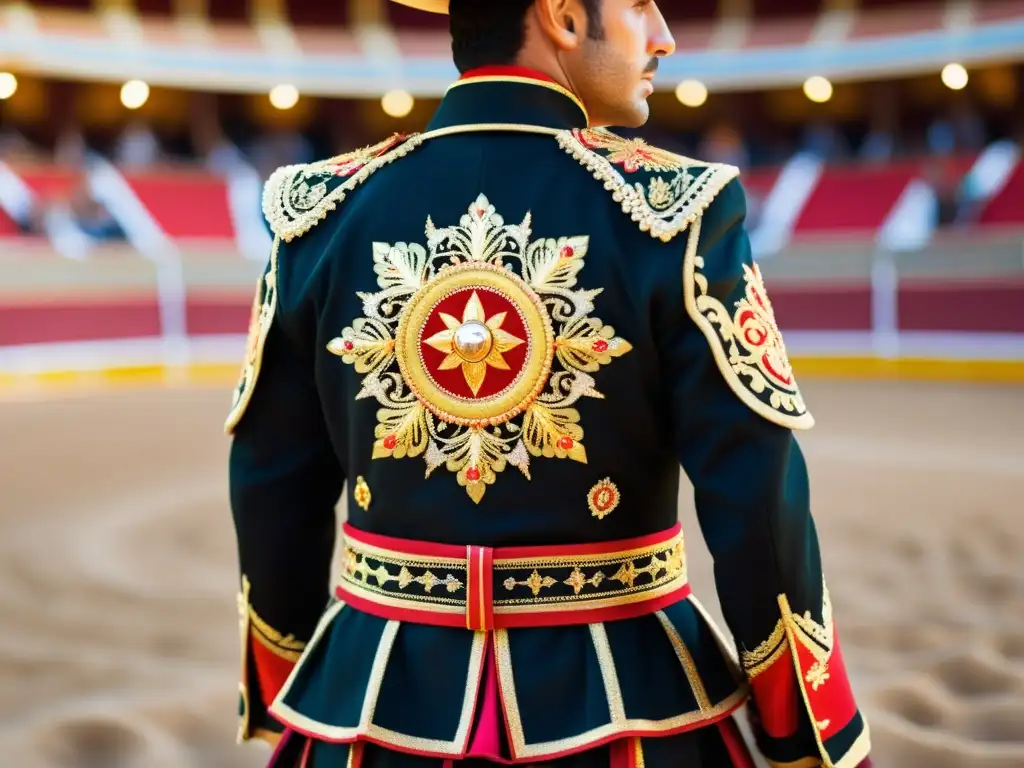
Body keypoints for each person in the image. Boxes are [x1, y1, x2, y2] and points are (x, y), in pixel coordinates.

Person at [226, 1, 872, 766]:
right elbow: (756, 499)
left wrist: (293, 674)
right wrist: (802, 730)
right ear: (565, 16)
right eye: (639, 4)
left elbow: (270, 482)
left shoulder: (320, 210)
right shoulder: (679, 209)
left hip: (374, 699)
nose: (663, 35)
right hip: (626, 701)